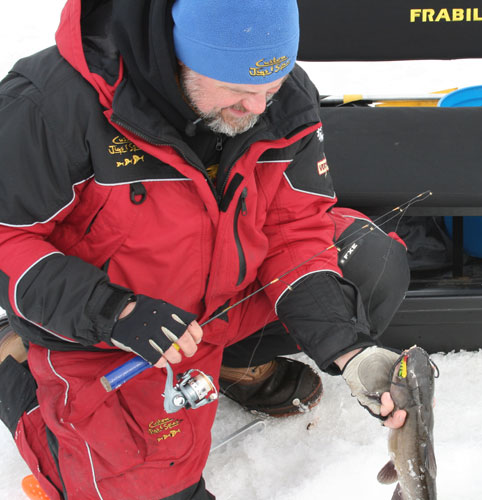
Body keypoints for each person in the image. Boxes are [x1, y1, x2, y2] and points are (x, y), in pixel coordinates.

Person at [0, 0, 410, 498]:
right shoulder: (49, 105)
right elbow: (7, 237)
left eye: (272, 88)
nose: (259, 108)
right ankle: (14, 371)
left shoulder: (277, 98)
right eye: (239, 89)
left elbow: (294, 229)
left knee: (369, 261)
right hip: (111, 333)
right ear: (178, 55)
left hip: (217, 305)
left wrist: (349, 349)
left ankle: (229, 363)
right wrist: (114, 311)